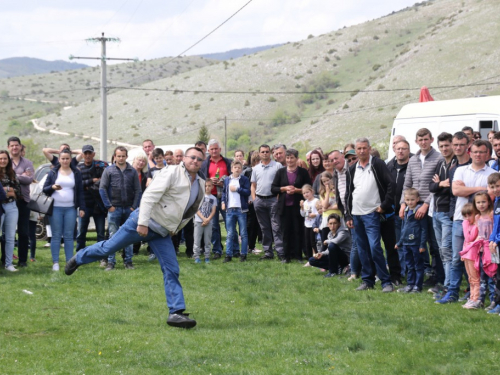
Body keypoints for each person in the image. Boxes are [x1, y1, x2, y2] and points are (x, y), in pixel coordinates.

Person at [65, 147, 206, 329]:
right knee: (109, 248)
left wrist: (175, 229)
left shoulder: (200, 183)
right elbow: (149, 196)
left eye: (199, 159)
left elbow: (190, 210)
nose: (195, 161)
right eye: (192, 157)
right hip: (142, 223)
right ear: (184, 159)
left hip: (162, 231)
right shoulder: (172, 172)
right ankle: (79, 258)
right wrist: (142, 222)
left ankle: (176, 313)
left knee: (172, 269)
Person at [437, 140, 495, 304]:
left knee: (481, 261)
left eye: (482, 152)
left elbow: (492, 196)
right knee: (457, 258)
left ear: (487, 154)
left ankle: (478, 294)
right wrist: (481, 190)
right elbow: (456, 191)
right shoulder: (460, 170)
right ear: (470, 153)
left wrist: (468, 190)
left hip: (483, 223)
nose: (478, 155)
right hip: (460, 220)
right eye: (475, 152)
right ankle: (453, 292)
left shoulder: (491, 173)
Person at [345, 137, 395, 292]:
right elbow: (348, 193)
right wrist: (348, 215)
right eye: (358, 149)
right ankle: (368, 280)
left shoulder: (377, 164)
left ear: (369, 148)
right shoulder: (352, 168)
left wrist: (384, 205)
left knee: (374, 247)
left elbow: (391, 184)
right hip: (356, 214)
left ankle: (386, 282)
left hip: (372, 213)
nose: (361, 151)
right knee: (362, 249)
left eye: (364, 148)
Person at [400, 128, 444, 288]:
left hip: (431, 206)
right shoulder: (413, 159)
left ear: (431, 139)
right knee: (415, 242)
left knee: (434, 244)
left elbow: (438, 184)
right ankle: (420, 274)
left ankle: (438, 277)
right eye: (420, 140)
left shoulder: (438, 158)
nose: (423, 142)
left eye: (426, 139)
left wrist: (426, 203)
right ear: (416, 141)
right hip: (412, 207)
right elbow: (407, 183)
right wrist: (402, 204)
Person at [43, 149, 86, 271]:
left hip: (71, 208)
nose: (65, 160)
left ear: (71, 159)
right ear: (59, 159)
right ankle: (55, 262)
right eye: (63, 158)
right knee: (56, 235)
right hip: (55, 208)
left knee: (68, 236)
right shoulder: (53, 172)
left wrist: (82, 207)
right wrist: (52, 187)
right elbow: (45, 189)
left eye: (67, 158)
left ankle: (69, 262)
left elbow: (80, 192)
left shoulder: (76, 172)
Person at [99, 146, 141, 271]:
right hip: (114, 208)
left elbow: (138, 190)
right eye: (119, 156)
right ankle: (111, 262)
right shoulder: (108, 170)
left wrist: (134, 206)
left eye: (123, 156)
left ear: (126, 157)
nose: (121, 158)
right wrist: (108, 206)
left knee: (128, 236)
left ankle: (128, 261)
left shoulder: (132, 171)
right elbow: (102, 189)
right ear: (115, 157)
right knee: (113, 236)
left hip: (129, 209)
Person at [271, 148, 311, 263]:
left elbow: (308, 186)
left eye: (291, 158)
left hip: (298, 206)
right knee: (285, 231)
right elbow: (273, 188)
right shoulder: (280, 172)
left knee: (298, 231)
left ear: (296, 159)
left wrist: (297, 190)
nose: (289, 160)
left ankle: (298, 256)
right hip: (284, 206)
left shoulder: (303, 172)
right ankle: (286, 256)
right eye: (287, 157)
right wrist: (283, 189)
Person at [429, 133, 456, 294]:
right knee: (441, 250)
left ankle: (449, 284)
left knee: (447, 249)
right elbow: (430, 187)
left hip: (447, 213)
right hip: (436, 213)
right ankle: (447, 282)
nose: (445, 148)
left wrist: (440, 185)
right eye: (442, 146)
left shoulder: (455, 165)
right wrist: (441, 184)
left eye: (447, 145)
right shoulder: (440, 163)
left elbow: (452, 188)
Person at [200, 139, 233, 258]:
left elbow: (235, 178)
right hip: (211, 197)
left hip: (225, 197)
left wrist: (224, 183)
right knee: (213, 226)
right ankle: (217, 250)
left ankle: (233, 249)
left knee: (229, 224)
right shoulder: (204, 164)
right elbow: (201, 180)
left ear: (220, 149)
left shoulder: (228, 162)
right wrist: (209, 181)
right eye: (211, 149)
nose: (214, 151)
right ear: (208, 151)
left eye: (216, 148)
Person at [251, 144, 284, 260]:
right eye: (262, 152)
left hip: (273, 199)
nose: (265, 154)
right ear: (259, 153)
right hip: (260, 200)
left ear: (270, 153)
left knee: (276, 227)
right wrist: (255, 200)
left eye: (266, 151)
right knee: (264, 228)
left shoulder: (277, 166)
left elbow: (281, 183)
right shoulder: (255, 169)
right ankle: (268, 252)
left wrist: (278, 198)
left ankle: (280, 252)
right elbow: (253, 185)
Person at [387, 139, 412, 280]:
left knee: (413, 243)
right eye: (398, 149)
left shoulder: (413, 165)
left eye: (404, 148)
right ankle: (401, 271)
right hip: (393, 211)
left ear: (408, 150)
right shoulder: (389, 166)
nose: (401, 151)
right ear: (394, 150)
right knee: (398, 243)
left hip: (410, 211)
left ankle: (414, 270)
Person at [76, 144, 108, 252]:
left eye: (90, 153)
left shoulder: (100, 166)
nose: (88, 155)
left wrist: (88, 186)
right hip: (84, 205)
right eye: (86, 153)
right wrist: (91, 181)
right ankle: (79, 254)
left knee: (100, 233)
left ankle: (100, 255)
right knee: (81, 232)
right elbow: (77, 185)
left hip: (98, 205)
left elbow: (103, 182)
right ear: (82, 155)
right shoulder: (79, 168)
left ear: (93, 154)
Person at [8, 136, 34, 268]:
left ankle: (22, 260)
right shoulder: (5, 162)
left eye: (16, 145)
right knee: (8, 232)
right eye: (12, 145)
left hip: (24, 201)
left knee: (23, 232)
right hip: (8, 201)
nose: (14, 147)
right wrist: (21, 176)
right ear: (8, 147)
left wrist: (13, 176)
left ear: (20, 146)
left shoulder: (28, 163)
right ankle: (6, 259)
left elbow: (29, 180)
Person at [395, 188, 428, 293]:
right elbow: (403, 229)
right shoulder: (405, 211)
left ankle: (417, 286)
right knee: (409, 265)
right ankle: (410, 284)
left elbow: (424, 229)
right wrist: (400, 242)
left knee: (418, 265)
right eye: (407, 200)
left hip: (416, 244)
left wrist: (422, 245)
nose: (410, 202)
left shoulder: (419, 213)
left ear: (417, 199)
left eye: (412, 200)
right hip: (406, 244)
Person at [221, 160, 250, 262]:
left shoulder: (244, 179)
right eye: (235, 167)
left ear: (241, 169)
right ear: (231, 169)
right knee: (230, 233)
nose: (237, 169)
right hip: (230, 209)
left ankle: (243, 254)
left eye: (239, 168)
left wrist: (237, 189)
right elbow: (224, 192)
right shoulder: (227, 180)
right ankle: (228, 255)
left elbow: (247, 191)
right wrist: (223, 202)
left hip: (241, 210)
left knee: (243, 233)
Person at [309, 213, 351, 278]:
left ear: (339, 224)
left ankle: (333, 272)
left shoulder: (343, 232)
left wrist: (326, 241)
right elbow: (329, 249)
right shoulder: (330, 234)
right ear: (327, 225)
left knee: (332, 245)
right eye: (330, 224)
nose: (333, 226)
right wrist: (321, 254)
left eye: (335, 223)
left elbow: (335, 242)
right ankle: (339, 268)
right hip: (334, 258)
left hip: (345, 258)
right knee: (312, 260)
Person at [0, 151, 21, 272]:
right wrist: (9, 190)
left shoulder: (12, 173)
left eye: (5, 159)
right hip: (0, 207)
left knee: (10, 237)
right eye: (0, 158)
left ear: (8, 160)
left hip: (11, 207)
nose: (2, 161)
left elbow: (18, 192)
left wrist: (5, 190)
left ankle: (9, 264)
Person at [193, 180, 216, 264]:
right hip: (199, 221)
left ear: (212, 187)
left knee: (207, 240)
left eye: (209, 186)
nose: (207, 187)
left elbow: (213, 211)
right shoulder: (199, 196)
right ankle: (197, 256)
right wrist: (203, 219)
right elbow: (196, 209)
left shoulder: (213, 198)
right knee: (197, 240)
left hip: (209, 222)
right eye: (206, 186)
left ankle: (207, 256)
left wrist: (207, 220)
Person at [488, 173, 500, 314]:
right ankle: (497, 302)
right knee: (497, 274)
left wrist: (496, 239)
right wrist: (491, 239)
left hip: (498, 241)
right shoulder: (496, 201)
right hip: (496, 243)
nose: (496, 189)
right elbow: (495, 224)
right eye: (492, 187)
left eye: (498, 185)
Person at [245, 151, 262, 254]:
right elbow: (247, 186)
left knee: (256, 224)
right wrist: (250, 198)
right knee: (250, 224)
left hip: (260, 199)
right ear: (255, 161)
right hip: (251, 202)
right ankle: (247, 246)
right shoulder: (248, 172)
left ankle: (252, 246)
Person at [300, 184, 319, 260]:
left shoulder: (316, 201)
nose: (306, 194)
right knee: (307, 242)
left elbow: (320, 212)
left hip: (314, 224)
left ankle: (317, 256)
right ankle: (309, 258)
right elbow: (302, 215)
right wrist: (301, 207)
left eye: (307, 192)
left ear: (312, 191)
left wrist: (315, 214)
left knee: (313, 242)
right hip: (307, 224)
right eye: (304, 193)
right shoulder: (305, 203)